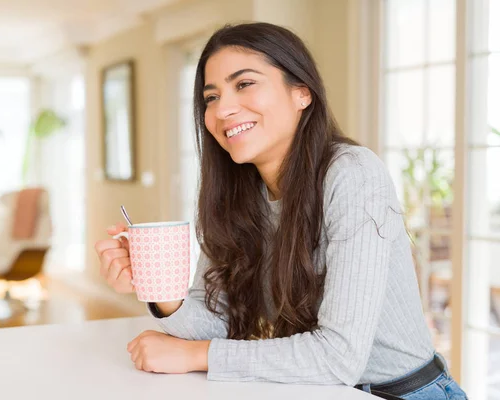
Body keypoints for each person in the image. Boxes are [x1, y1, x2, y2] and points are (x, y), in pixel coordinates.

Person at [94, 22, 468, 400]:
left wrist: (194, 354)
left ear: (302, 93)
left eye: (244, 84)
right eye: (210, 97)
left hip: (402, 393)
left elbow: (339, 358)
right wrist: (157, 288)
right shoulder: (237, 196)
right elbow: (214, 321)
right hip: (315, 390)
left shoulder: (353, 174)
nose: (222, 108)